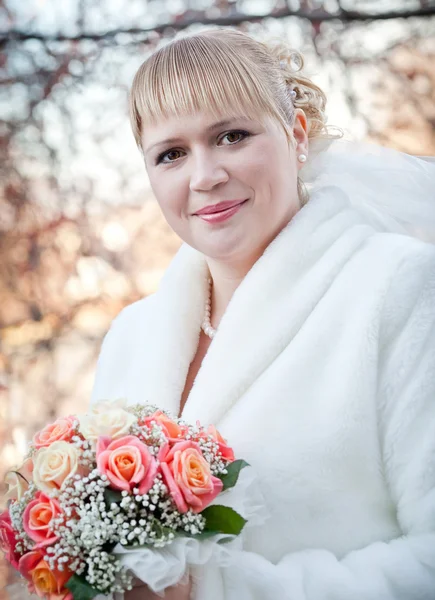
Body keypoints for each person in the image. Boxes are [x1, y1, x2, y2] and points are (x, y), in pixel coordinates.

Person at [91, 28, 435, 600]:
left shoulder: (399, 287)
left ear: (296, 135)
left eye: (231, 136)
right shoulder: (131, 335)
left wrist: (218, 591)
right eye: (171, 154)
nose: (204, 176)